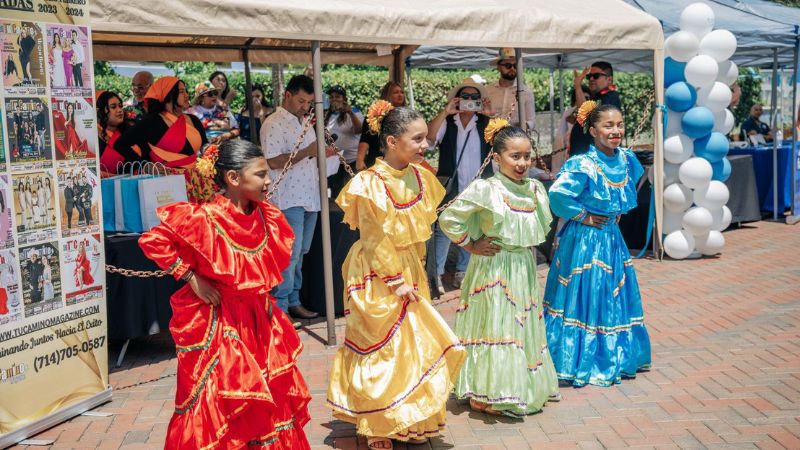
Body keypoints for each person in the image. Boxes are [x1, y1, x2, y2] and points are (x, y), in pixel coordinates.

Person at [139, 139, 312, 449]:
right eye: (260, 174)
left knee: (265, 396)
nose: (268, 180)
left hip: (258, 321)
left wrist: (265, 301)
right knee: (221, 398)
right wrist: (191, 278)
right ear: (233, 178)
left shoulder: (266, 216)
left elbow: (262, 270)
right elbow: (153, 241)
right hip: (220, 323)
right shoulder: (203, 217)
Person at [326, 103, 466, 449]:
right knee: (381, 343)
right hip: (378, 271)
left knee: (412, 342)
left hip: (411, 268)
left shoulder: (421, 177)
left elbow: (423, 231)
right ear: (391, 141)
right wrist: (395, 279)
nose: (425, 145)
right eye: (417, 139)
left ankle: (409, 416)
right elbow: (374, 238)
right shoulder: (369, 183)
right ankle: (377, 424)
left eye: (425, 138)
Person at [439, 118, 559, 415]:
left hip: (523, 266)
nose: (522, 163)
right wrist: (470, 245)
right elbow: (449, 219)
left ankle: (519, 386)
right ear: (496, 158)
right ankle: (488, 391)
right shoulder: (485, 189)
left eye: (527, 156)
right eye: (514, 156)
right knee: (496, 324)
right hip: (492, 268)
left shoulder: (534, 189)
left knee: (519, 324)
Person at [543, 102, 651, 387]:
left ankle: (613, 355)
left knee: (610, 294)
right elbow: (557, 196)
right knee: (588, 292)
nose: (615, 131)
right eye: (607, 126)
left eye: (619, 125)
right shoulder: (582, 164)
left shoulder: (626, 159)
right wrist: (584, 215)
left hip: (612, 239)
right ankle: (578, 359)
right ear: (592, 131)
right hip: (586, 241)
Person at [261, 74, 332, 320]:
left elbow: (308, 155)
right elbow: (272, 161)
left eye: (309, 103)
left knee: (301, 252)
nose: (305, 107)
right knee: (288, 254)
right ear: (288, 95)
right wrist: (308, 152)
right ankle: (279, 307)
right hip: (287, 197)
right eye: (302, 101)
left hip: (310, 196)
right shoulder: (273, 123)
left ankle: (293, 300)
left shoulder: (305, 122)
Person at [427, 77, 494, 294]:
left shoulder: (485, 123)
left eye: (475, 97)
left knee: (473, 227)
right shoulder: (448, 122)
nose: (469, 101)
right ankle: (435, 274)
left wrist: (491, 115)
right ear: (457, 99)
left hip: (479, 185)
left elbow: (504, 142)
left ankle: (462, 272)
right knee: (445, 228)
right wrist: (446, 112)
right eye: (465, 97)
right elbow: (429, 138)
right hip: (452, 185)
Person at [114, 76, 207, 172]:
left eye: (186, 91)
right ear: (169, 95)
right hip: (167, 181)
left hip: (196, 178)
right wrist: (143, 165)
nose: (187, 95)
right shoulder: (152, 122)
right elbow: (120, 144)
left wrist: (210, 149)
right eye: (182, 92)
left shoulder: (194, 119)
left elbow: (204, 144)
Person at [569, 61, 622, 156]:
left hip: (594, 160)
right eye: (589, 76)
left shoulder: (610, 97)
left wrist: (577, 86)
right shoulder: (597, 97)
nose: (591, 79)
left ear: (609, 80)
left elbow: (585, 114)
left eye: (596, 76)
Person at [356, 81, 406, 171]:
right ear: (387, 95)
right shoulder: (374, 115)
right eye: (396, 92)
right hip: (377, 163)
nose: (400, 95)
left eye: (402, 92)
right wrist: (360, 160)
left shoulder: (407, 115)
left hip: (401, 164)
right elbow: (365, 139)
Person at [324, 85, 363, 197]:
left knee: (353, 194)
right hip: (334, 162)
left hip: (352, 161)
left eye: (337, 96)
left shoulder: (354, 111)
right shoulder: (327, 115)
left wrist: (350, 113)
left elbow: (359, 130)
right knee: (337, 194)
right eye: (331, 97)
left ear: (344, 99)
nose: (334, 99)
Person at [485, 48, 536, 130]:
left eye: (516, 66)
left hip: (515, 139)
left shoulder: (526, 92)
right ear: (498, 67)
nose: (512, 69)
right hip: (490, 139)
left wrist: (524, 125)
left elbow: (532, 122)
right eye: (508, 65)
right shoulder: (487, 91)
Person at [554, 85, 591, 173]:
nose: (584, 99)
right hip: (570, 153)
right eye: (582, 97)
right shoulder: (568, 114)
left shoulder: (593, 114)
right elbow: (561, 136)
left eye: (587, 98)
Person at [97, 91, 130, 175]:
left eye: (120, 106)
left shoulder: (130, 132)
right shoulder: (94, 137)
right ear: (102, 111)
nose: (119, 110)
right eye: (113, 107)